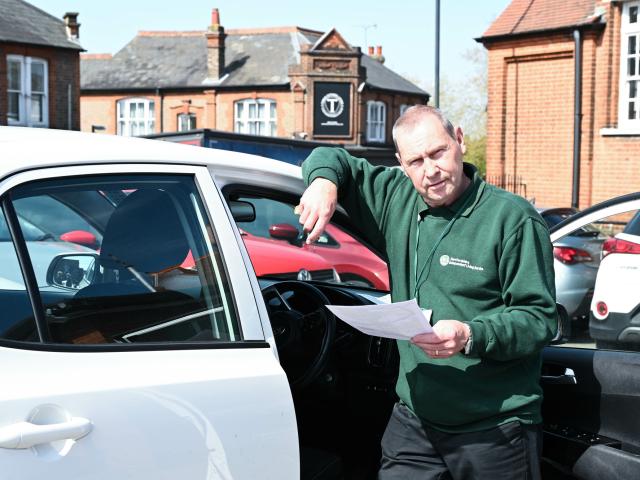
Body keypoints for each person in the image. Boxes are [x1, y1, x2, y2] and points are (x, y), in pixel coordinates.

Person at [295, 105, 557, 479]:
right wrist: (323, 183)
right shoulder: (394, 197)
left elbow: (539, 319)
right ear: (401, 164)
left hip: (494, 425)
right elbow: (329, 156)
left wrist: (470, 335)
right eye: (416, 161)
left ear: (460, 141)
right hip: (414, 419)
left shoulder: (511, 219)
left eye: (438, 153)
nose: (430, 171)